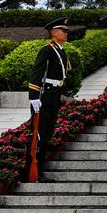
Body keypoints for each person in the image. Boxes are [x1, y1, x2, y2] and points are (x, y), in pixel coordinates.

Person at [25, 17, 73, 182]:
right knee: (39, 133)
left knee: (46, 134)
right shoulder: (47, 50)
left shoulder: (60, 50)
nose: (66, 33)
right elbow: (37, 73)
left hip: (54, 96)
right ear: (54, 33)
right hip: (44, 95)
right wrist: (34, 96)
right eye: (63, 31)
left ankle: (39, 170)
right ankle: (32, 171)